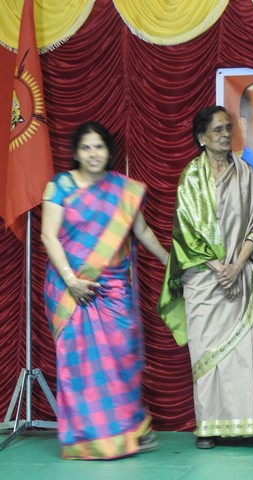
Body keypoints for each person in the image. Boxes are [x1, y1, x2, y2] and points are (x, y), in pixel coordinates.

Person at [158, 106, 253, 449]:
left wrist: (237, 265)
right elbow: (185, 231)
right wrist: (219, 268)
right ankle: (209, 427)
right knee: (208, 355)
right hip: (204, 279)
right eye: (217, 130)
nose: (226, 135)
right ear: (202, 138)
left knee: (246, 354)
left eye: (228, 128)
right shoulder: (191, 176)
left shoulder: (245, 173)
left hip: (239, 276)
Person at [41, 121, 169, 460]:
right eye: (86, 147)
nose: (93, 153)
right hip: (70, 291)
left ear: (108, 151)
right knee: (80, 366)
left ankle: (129, 429)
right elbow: (48, 236)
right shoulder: (60, 186)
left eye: (98, 146)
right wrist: (71, 280)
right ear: (76, 153)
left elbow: (142, 231)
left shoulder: (122, 190)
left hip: (113, 289)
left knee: (121, 358)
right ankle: (89, 439)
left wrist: (168, 261)